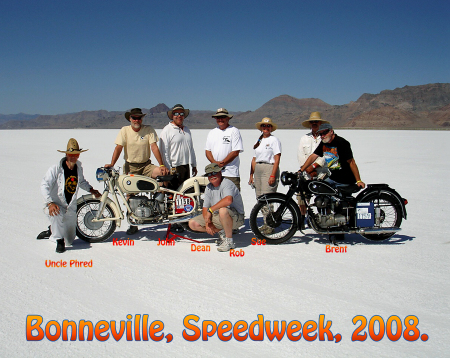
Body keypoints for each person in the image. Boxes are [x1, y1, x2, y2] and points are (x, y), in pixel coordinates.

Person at [105, 107, 169, 235]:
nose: (136, 120)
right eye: (134, 118)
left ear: (142, 118)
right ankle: (133, 223)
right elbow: (118, 148)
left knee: (163, 175)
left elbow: (154, 147)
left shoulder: (148, 129)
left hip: (146, 166)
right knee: (130, 195)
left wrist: (161, 164)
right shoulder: (125, 131)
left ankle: (161, 210)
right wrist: (112, 164)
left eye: (139, 118)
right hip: (131, 167)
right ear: (130, 118)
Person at [300, 123, 366, 243]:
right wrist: (302, 169)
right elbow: (313, 156)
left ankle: (340, 230)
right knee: (320, 194)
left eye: (324, 132)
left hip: (345, 179)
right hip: (333, 177)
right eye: (320, 134)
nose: (322, 135)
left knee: (340, 203)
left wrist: (358, 180)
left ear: (331, 131)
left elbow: (351, 162)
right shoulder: (324, 143)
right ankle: (327, 224)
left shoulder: (342, 143)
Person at [38, 138, 101, 253]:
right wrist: (50, 202)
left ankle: (52, 230)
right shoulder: (56, 169)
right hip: (55, 205)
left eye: (76, 154)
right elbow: (44, 185)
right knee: (57, 215)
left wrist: (91, 190)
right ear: (66, 154)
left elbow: (81, 182)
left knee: (70, 239)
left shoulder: (78, 168)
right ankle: (58, 240)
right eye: (71, 154)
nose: (73, 157)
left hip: (70, 207)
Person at [188, 163, 245, 252]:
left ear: (220, 173)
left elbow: (228, 200)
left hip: (236, 218)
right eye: (209, 174)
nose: (212, 176)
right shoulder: (209, 187)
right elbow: (205, 208)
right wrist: (208, 224)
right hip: (219, 216)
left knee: (223, 210)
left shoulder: (226, 183)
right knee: (193, 223)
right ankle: (222, 232)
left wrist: (211, 210)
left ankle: (229, 241)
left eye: (214, 173)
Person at [297, 111, 328, 218]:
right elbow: (301, 156)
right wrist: (307, 169)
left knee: (325, 198)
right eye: (312, 122)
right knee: (302, 197)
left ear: (320, 123)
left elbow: (325, 156)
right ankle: (302, 219)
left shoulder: (325, 137)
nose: (314, 123)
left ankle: (325, 218)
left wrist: (314, 167)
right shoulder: (304, 138)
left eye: (316, 122)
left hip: (322, 174)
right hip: (306, 174)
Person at [159, 104, 198, 188]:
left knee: (185, 193)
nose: (179, 116)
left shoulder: (187, 130)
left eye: (182, 114)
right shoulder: (167, 130)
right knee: (173, 195)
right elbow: (163, 151)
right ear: (172, 116)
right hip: (174, 167)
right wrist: (169, 168)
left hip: (186, 166)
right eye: (176, 113)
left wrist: (194, 165)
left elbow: (191, 149)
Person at [205, 108, 244, 191]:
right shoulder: (212, 132)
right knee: (218, 198)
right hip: (215, 172)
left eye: (222, 117)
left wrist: (222, 164)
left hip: (230, 173)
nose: (220, 119)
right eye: (218, 117)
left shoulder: (234, 131)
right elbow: (208, 151)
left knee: (233, 198)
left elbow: (235, 152)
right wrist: (215, 163)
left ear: (228, 118)